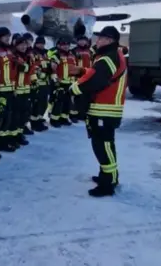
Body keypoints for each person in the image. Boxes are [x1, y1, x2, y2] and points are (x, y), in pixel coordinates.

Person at [70, 26, 127, 197]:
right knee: (104, 145)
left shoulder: (108, 58)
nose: (97, 40)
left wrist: (74, 89)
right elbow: (100, 75)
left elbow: (96, 80)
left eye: (101, 38)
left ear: (110, 40)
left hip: (105, 108)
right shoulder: (110, 56)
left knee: (103, 146)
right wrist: (83, 71)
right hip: (106, 108)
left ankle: (107, 184)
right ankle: (108, 176)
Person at [0, 27, 17, 152]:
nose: (8, 38)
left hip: (10, 88)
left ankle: (4, 141)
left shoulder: (10, 50)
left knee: (9, 116)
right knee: (1, 116)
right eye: (5, 36)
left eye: (9, 36)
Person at [48, 38, 79, 127]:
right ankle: (54, 119)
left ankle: (64, 118)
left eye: (67, 45)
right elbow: (53, 69)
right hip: (60, 83)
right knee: (58, 102)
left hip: (70, 83)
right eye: (63, 44)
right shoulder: (56, 55)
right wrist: (56, 81)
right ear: (59, 46)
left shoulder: (72, 55)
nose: (65, 46)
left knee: (67, 101)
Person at [11, 34, 31, 145]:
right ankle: (14, 136)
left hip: (26, 89)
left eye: (25, 44)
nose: (24, 47)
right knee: (16, 115)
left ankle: (19, 133)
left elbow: (29, 69)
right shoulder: (14, 56)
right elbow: (20, 69)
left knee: (24, 113)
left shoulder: (26, 56)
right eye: (21, 44)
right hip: (16, 89)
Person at [69, 35, 92, 123]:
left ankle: (83, 114)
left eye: (84, 41)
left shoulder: (90, 51)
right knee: (75, 96)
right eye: (80, 40)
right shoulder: (73, 51)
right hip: (77, 76)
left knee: (85, 96)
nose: (82, 42)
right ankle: (73, 114)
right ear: (77, 42)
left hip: (88, 76)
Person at [29, 36, 50, 131]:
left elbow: (48, 64)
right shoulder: (33, 53)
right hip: (37, 82)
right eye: (39, 43)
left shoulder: (45, 53)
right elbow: (33, 66)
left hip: (45, 81)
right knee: (36, 104)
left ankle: (40, 119)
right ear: (36, 43)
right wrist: (39, 73)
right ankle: (34, 123)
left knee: (44, 103)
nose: (41, 45)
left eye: (43, 43)